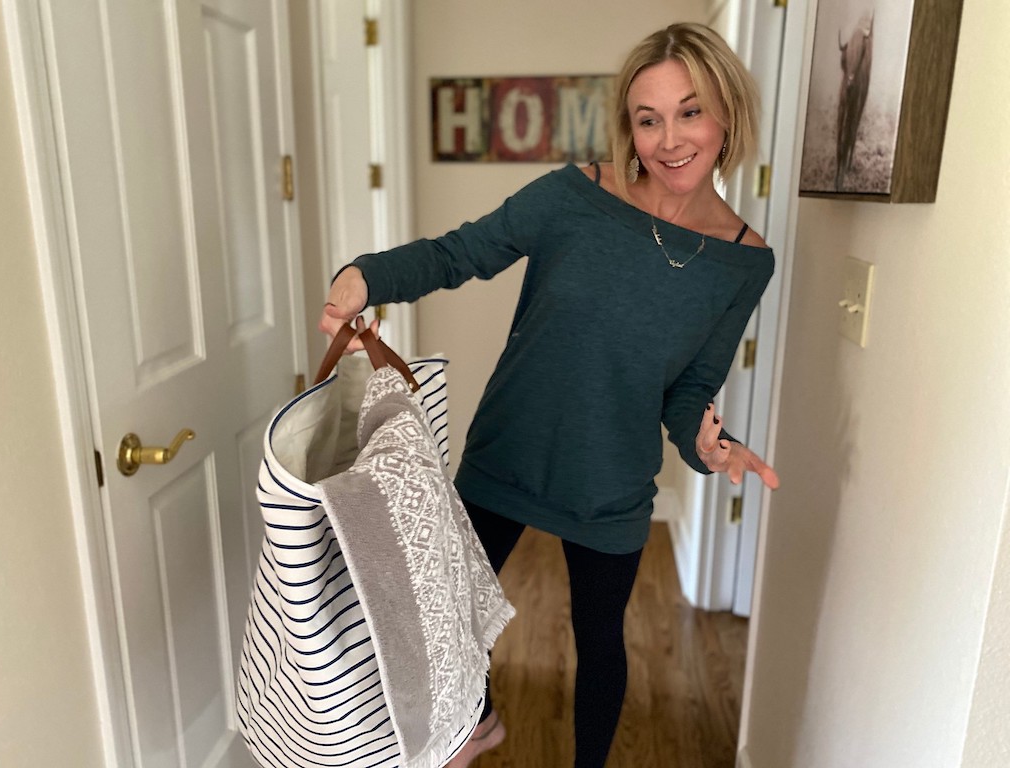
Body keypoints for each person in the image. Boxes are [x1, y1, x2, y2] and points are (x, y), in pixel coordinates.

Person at [321, 21, 780, 768]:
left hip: (610, 487)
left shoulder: (743, 263)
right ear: (628, 127)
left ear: (726, 114)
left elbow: (691, 385)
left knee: (599, 643)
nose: (670, 139)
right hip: (508, 455)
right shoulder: (572, 196)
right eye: (648, 117)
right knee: (452, 618)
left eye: (691, 111)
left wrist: (705, 445)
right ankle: (477, 721)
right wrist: (366, 276)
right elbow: (456, 253)